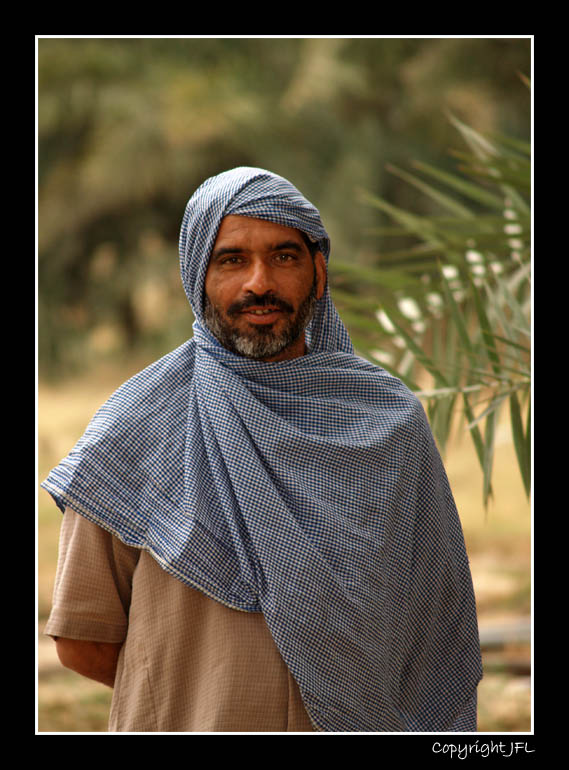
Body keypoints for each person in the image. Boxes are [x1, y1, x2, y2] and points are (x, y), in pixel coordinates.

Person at [41, 167, 483, 733]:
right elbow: (83, 640)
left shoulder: (388, 422)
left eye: (284, 256)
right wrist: (203, 694)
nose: (259, 283)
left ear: (319, 273)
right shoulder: (134, 428)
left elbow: (435, 626)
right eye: (231, 260)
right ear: (196, 275)